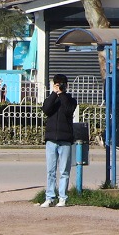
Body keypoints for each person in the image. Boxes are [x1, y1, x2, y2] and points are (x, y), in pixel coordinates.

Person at [41, 73, 76, 208]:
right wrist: (54, 94)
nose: (59, 86)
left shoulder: (70, 100)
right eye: (57, 84)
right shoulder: (51, 98)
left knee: (64, 171)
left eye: (61, 84)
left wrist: (62, 95)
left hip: (65, 139)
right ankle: (49, 197)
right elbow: (46, 109)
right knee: (50, 171)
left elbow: (68, 111)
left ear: (66, 86)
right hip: (51, 139)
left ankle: (63, 198)